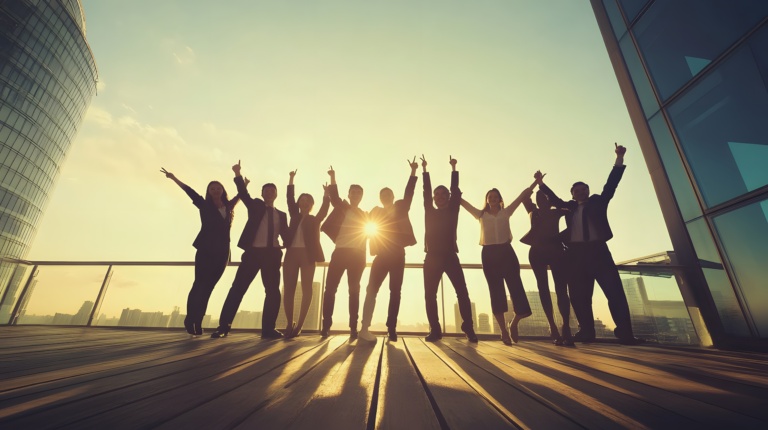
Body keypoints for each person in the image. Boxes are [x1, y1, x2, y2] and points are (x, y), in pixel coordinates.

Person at [537, 143, 643, 345]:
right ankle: (586, 332)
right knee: (578, 296)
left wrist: (619, 159)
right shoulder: (569, 208)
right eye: (577, 191)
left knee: (614, 293)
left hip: (599, 252)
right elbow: (555, 199)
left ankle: (625, 333)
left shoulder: (598, 202)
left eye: (583, 189)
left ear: (588, 191)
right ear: (572, 194)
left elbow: (611, 184)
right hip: (576, 255)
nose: (580, 193)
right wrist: (541, 184)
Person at [210, 160, 288, 339]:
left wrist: (289, 245)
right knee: (237, 289)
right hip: (253, 253)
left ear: (276, 194)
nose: (269, 193)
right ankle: (223, 327)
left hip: (272, 255)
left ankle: (268, 329)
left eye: (272, 191)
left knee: (273, 292)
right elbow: (243, 194)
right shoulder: (255, 206)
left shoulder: (282, 215)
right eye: (266, 191)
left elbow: (287, 235)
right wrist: (237, 174)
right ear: (261, 194)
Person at [160, 168, 241, 336]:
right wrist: (174, 177)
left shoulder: (228, 206)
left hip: (223, 253)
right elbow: (189, 191)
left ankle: (199, 320)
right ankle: (190, 319)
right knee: (199, 285)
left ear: (222, 190)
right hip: (206, 250)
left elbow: (240, 196)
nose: (216, 190)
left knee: (209, 287)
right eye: (212, 188)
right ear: (209, 192)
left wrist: (241, 180)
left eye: (218, 188)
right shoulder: (204, 205)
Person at [460, 183, 534, 345]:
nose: (492, 199)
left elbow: (522, 195)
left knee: (516, 288)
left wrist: (536, 182)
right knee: (496, 291)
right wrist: (455, 188)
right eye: (490, 197)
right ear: (487, 200)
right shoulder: (480, 215)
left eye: (495, 197)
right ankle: (503, 332)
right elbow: (463, 203)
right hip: (489, 254)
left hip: (507, 252)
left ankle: (514, 323)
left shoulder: (506, 212)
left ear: (500, 199)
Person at [358, 158, 419, 342]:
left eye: (388, 194)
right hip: (382, 255)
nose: (385, 197)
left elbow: (410, 193)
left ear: (393, 196)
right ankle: (364, 327)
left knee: (395, 291)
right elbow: (360, 219)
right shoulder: (375, 211)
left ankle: (391, 328)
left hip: (398, 254)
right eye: (382, 195)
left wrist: (413, 172)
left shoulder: (401, 206)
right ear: (380, 198)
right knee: (371, 289)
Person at [422, 155, 477, 343]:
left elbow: (455, 190)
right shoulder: (429, 211)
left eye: (443, 195)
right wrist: (424, 170)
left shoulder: (453, 210)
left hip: (450, 256)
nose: (439, 197)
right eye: (436, 195)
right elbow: (425, 191)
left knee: (462, 292)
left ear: (447, 198)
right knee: (430, 295)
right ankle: (435, 330)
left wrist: (454, 169)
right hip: (432, 257)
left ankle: (468, 328)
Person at [520, 188, 572, 346]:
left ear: (549, 200)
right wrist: (536, 182)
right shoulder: (532, 211)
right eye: (537, 197)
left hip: (555, 251)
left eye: (543, 197)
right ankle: (552, 326)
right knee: (543, 287)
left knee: (561, 288)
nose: (540, 199)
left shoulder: (557, 212)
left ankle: (566, 327)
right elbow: (524, 196)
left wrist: (543, 186)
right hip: (537, 252)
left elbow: (571, 212)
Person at [320, 166, 367, 339]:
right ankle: (326, 326)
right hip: (340, 252)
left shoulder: (365, 215)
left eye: (358, 193)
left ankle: (353, 327)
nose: (355, 195)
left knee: (354, 290)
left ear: (361, 197)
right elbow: (334, 198)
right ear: (349, 195)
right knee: (330, 289)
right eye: (353, 192)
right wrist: (333, 176)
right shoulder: (343, 207)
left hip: (358, 255)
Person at [283, 169, 330, 338]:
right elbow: (289, 199)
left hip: (308, 255)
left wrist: (327, 194)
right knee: (288, 288)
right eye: (301, 200)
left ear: (311, 204)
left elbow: (324, 210)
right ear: (298, 203)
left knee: (306, 288)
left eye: (307, 200)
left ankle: (300, 325)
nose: (304, 202)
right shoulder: (294, 215)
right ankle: (289, 323)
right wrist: (291, 179)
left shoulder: (314, 219)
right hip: (291, 254)